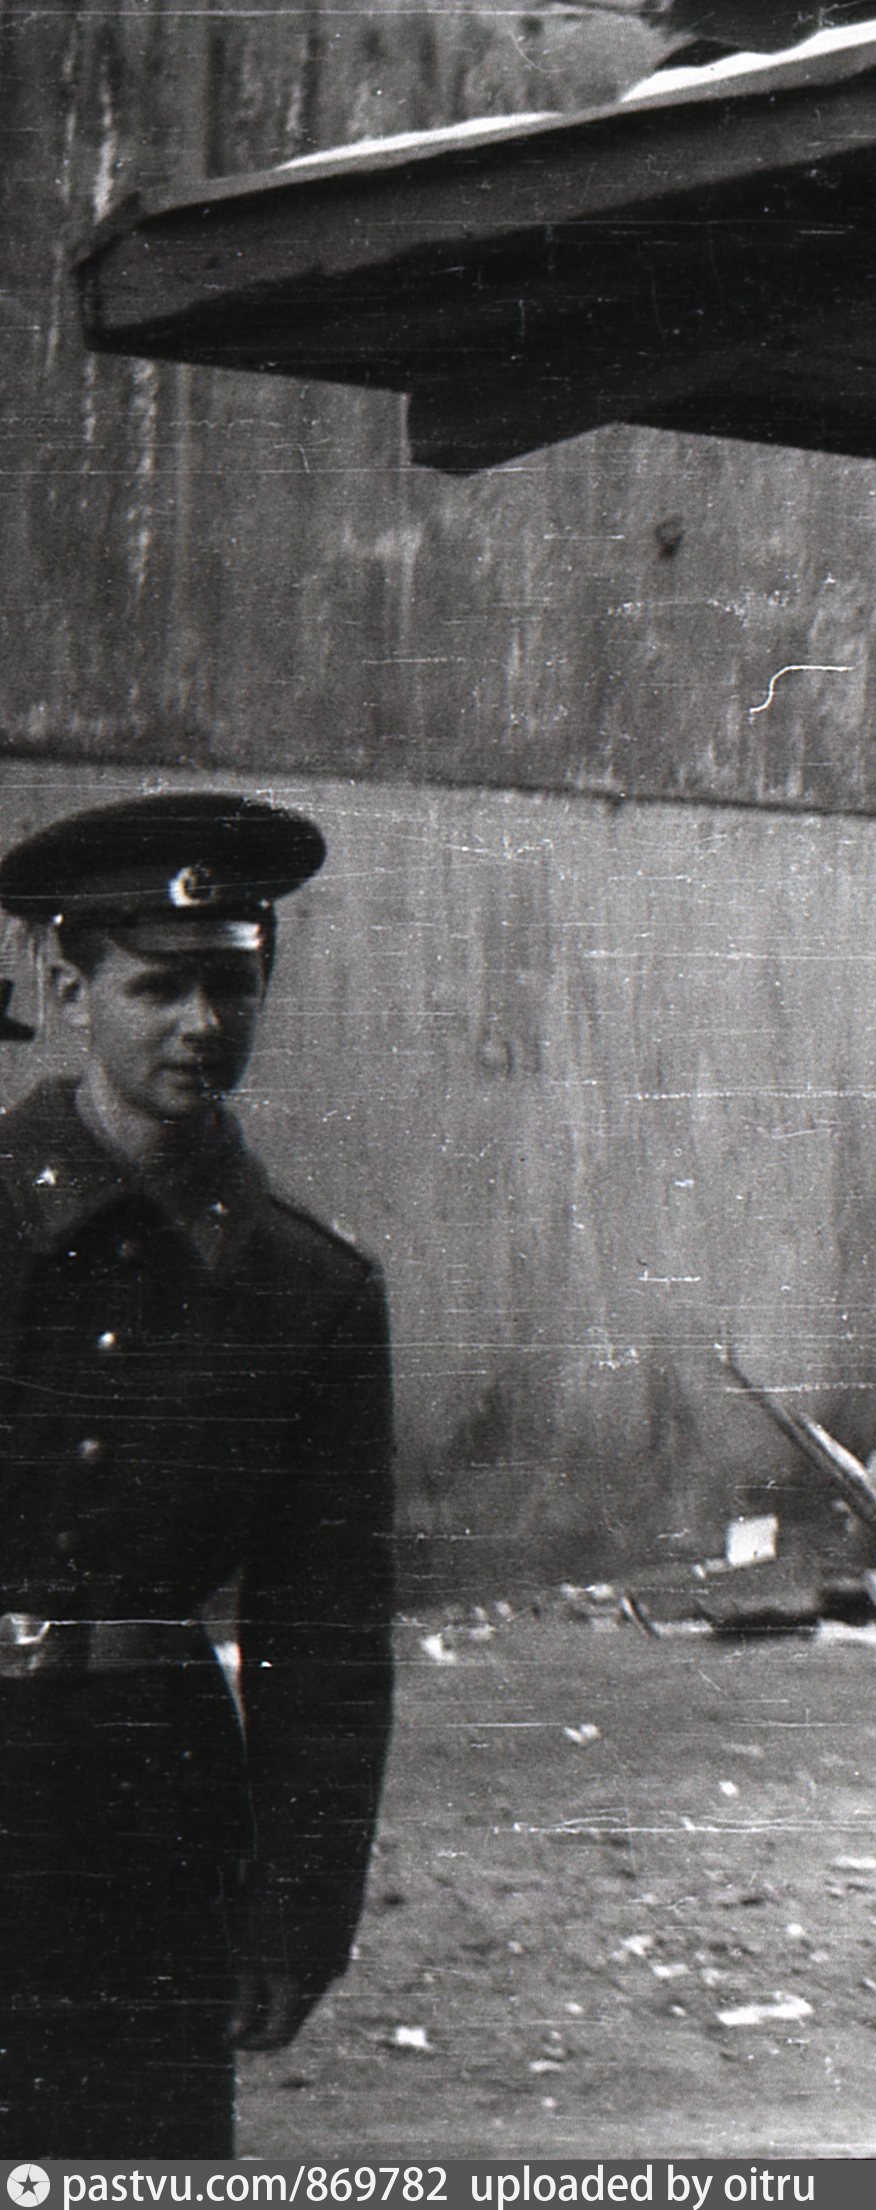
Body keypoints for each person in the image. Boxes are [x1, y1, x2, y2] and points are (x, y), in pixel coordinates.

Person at [0, 794, 395, 2156]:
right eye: (157, 985)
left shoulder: (308, 1289)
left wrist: (297, 1907)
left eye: (232, 984)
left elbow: (324, 1630)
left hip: (150, 1808)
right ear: (68, 990)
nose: (201, 1023)